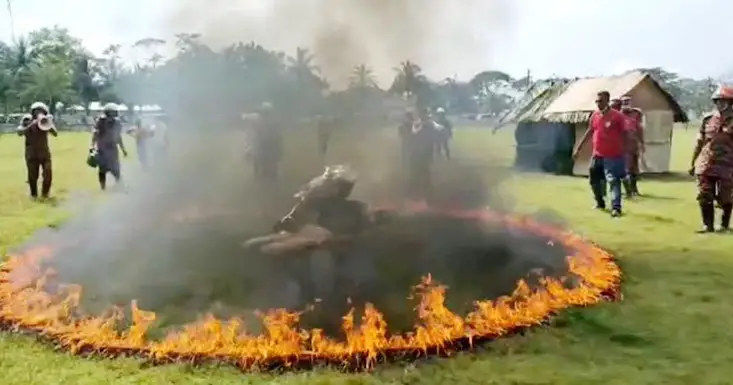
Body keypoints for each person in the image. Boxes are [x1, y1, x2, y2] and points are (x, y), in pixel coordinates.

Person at [573, 91, 627, 217]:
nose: (598, 103)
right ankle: (599, 203)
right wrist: (578, 148)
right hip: (597, 154)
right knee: (593, 180)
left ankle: (616, 208)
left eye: (601, 101)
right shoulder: (595, 115)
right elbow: (590, 131)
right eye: (597, 101)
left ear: (607, 101)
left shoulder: (617, 116)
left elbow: (625, 134)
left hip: (613, 155)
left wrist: (625, 152)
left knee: (613, 181)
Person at [689, 85, 733, 233]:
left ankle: (724, 224)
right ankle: (708, 226)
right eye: (718, 101)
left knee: (725, 197)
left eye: (724, 101)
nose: (720, 104)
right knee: (704, 194)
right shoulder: (708, 119)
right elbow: (699, 142)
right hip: (706, 162)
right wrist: (693, 162)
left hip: (727, 164)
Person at [17, 103, 58, 200]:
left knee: (48, 174)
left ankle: (45, 194)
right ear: (32, 112)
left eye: (41, 111)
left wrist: (48, 123)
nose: (39, 113)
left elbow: (55, 133)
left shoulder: (47, 120)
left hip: (44, 153)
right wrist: (32, 124)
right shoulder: (27, 120)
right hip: (31, 154)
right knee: (32, 176)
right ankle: (34, 195)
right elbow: (19, 132)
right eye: (37, 111)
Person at [91, 103, 128, 191]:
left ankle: (120, 185)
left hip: (112, 148)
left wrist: (123, 149)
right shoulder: (101, 122)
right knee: (102, 169)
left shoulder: (117, 123)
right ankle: (103, 187)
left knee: (116, 168)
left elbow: (118, 137)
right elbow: (95, 134)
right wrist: (92, 145)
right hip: (102, 149)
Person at [406, 107, 438, 199]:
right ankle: (415, 191)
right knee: (417, 171)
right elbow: (414, 133)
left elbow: (435, 133)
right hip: (417, 151)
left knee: (425, 171)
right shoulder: (417, 124)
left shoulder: (430, 124)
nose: (425, 116)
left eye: (426, 114)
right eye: (424, 114)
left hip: (426, 151)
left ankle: (426, 191)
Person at [251, 102, 282, 182]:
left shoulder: (274, 120)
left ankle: (272, 175)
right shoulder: (260, 120)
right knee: (263, 160)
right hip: (264, 144)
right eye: (265, 111)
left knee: (272, 161)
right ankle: (266, 174)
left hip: (271, 144)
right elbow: (257, 132)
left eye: (267, 111)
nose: (266, 113)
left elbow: (277, 134)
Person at [620, 96, 645, 198]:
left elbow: (639, 129)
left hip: (634, 146)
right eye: (624, 102)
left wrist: (642, 143)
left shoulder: (635, 114)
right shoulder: (619, 115)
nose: (627, 104)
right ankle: (628, 191)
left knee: (634, 169)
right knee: (627, 169)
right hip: (624, 147)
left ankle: (634, 190)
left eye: (628, 102)